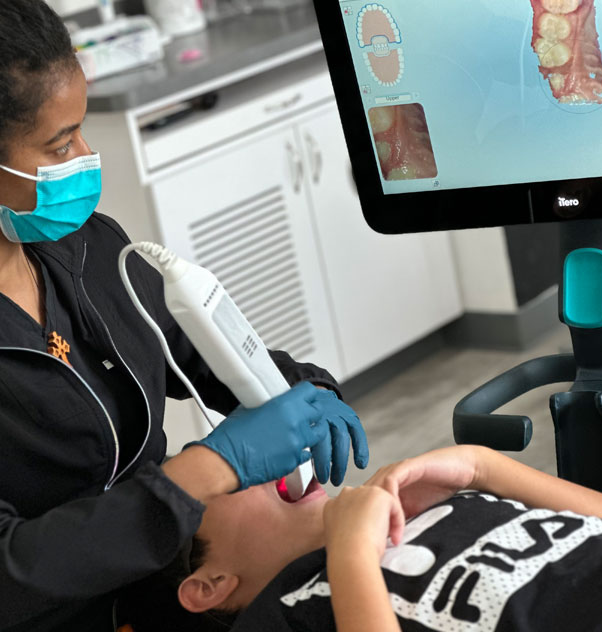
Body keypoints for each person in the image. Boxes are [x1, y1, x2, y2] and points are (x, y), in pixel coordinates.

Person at [0, 2, 368, 630]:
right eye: (61, 144)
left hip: (155, 586)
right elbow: (11, 575)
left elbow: (195, 350)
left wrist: (301, 390)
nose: (85, 156)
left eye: (81, 132)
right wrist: (207, 471)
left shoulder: (87, 248)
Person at [119, 444, 602, 631]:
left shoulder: (416, 513)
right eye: (228, 480)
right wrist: (352, 554)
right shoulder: (285, 613)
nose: (260, 466)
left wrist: (480, 467)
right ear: (209, 584)